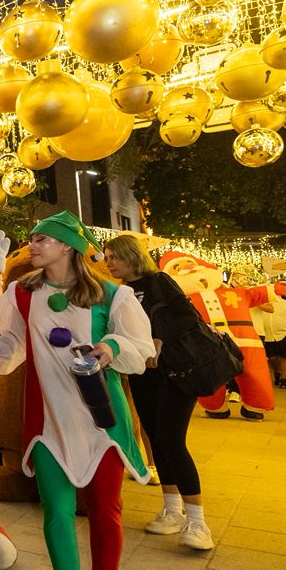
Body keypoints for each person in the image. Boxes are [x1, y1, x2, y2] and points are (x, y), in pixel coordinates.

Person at [0, 212, 154, 570]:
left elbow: (141, 348)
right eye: (32, 239)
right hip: (47, 423)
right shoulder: (21, 293)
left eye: (42, 239)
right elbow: (14, 343)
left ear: (68, 246)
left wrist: (110, 347)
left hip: (100, 425)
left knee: (106, 511)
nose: (33, 245)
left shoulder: (114, 295)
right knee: (56, 511)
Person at [103, 234, 213, 552]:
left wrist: (160, 338)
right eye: (106, 257)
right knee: (156, 438)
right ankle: (172, 509)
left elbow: (188, 317)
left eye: (114, 257)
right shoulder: (118, 292)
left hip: (177, 372)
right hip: (143, 374)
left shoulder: (159, 281)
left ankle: (198, 521)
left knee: (172, 440)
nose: (109, 263)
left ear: (131, 256)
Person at [255, 288, 286, 389]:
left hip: (284, 333)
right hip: (267, 336)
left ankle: (283, 380)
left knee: (284, 357)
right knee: (272, 358)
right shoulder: (261, 304)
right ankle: (276, 372)